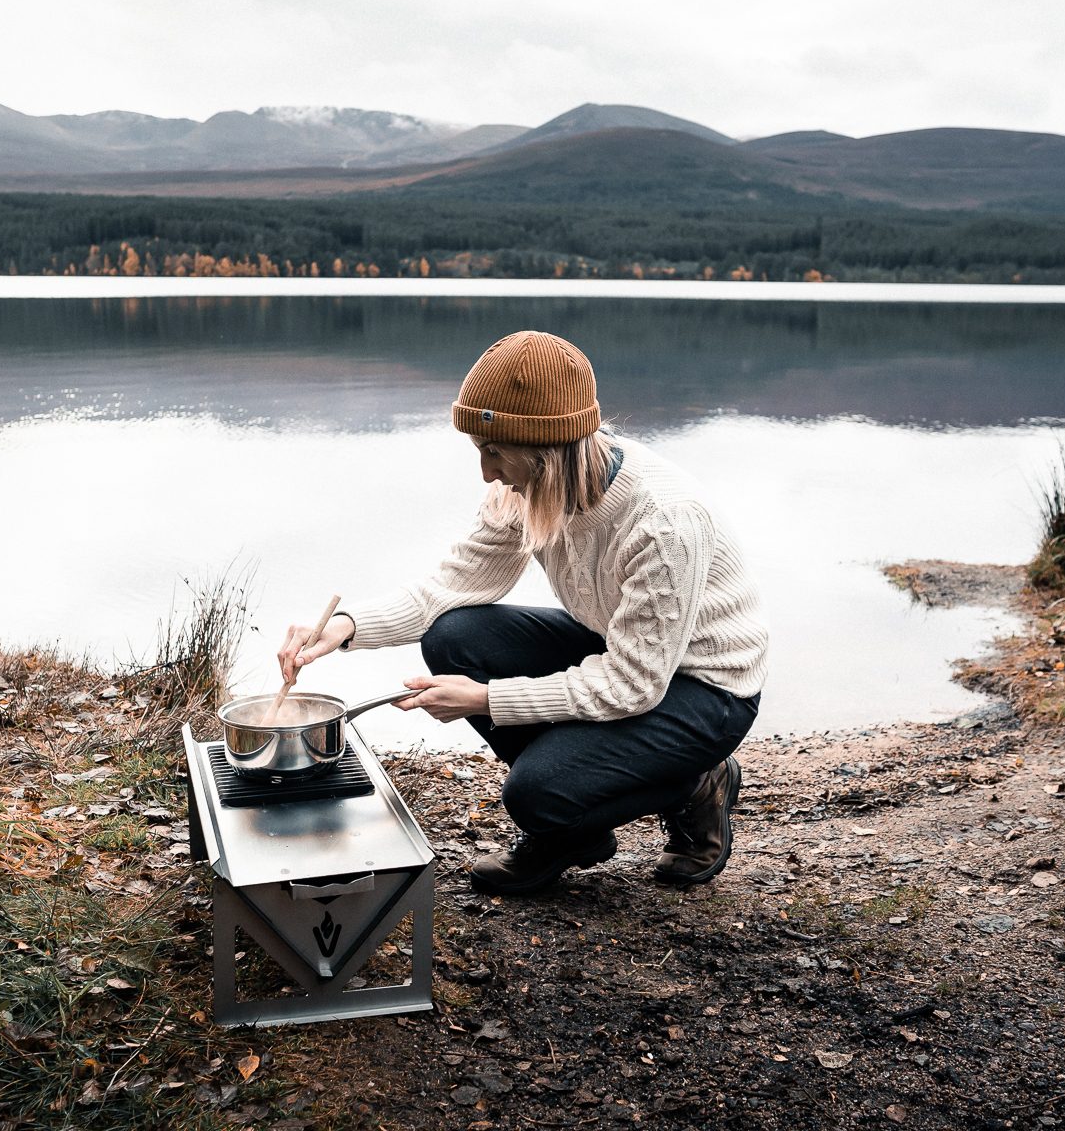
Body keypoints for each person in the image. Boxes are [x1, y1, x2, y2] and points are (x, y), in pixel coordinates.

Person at [276, 330, 769, 895]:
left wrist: (486, 700)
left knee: (536, 794)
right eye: (479, 450)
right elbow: (452, 587)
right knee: (456, 635)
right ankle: (574, 824)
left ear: (547, 448)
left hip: (707, 689)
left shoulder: (661, 521)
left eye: (494, 452)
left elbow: (635, 684)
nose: (486, 472)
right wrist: (344, 629)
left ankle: (691, 784)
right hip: (624, 652)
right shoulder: (526, 490)